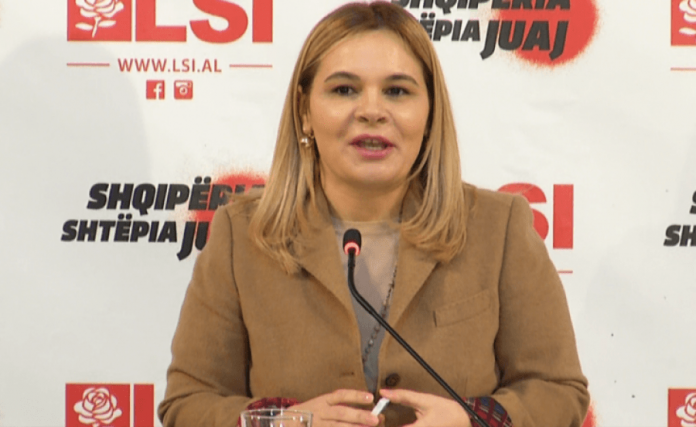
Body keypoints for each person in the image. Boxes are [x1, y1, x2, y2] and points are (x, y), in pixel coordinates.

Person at [157, 2, 590, 427]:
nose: (371, 111)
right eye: (344, 90)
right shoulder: (242, 235)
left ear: (430, 113)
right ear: (305, 112)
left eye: (397, 91)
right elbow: (188, 404)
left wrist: (469, 421)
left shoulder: (499, 227)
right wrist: (284, 423)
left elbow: (557, 389)